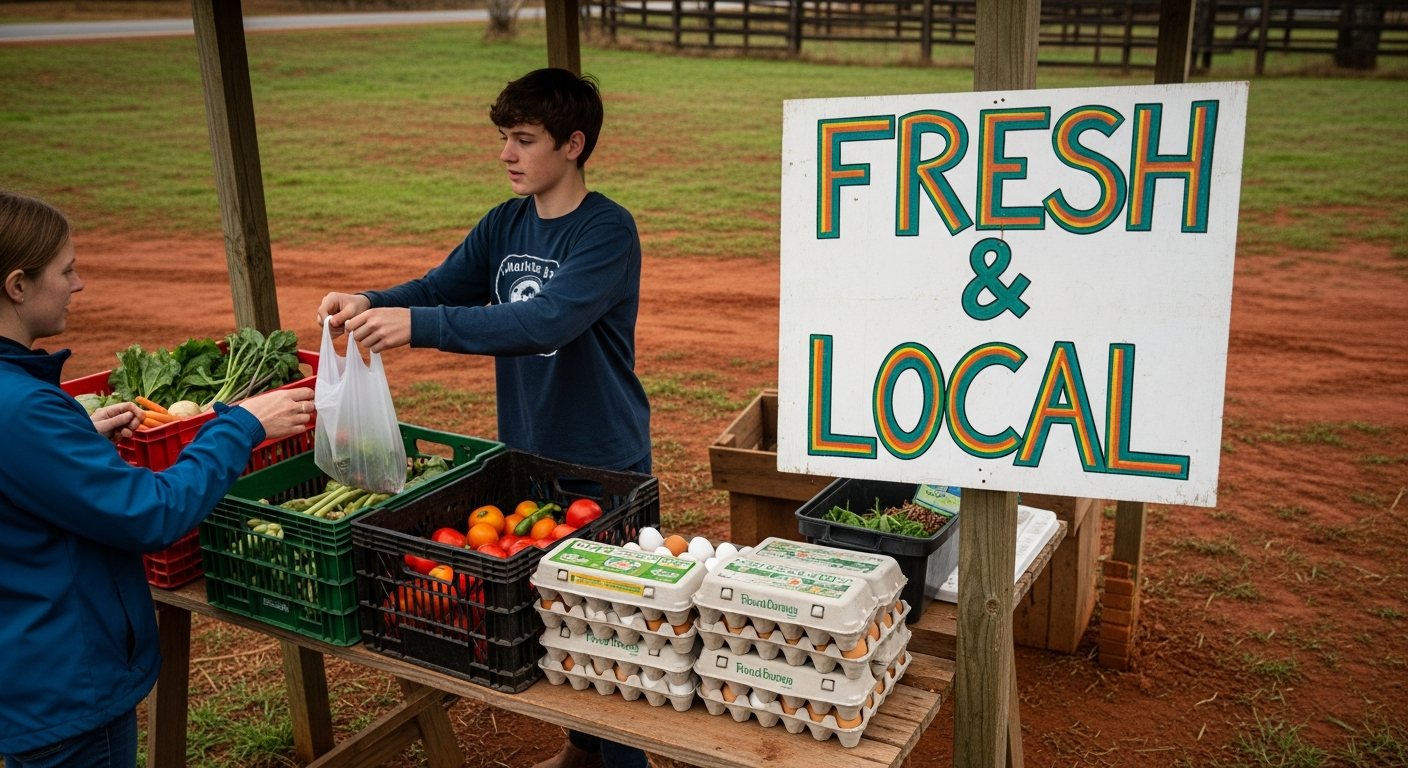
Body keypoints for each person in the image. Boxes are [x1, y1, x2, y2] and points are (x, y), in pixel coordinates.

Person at [317, 68, 651, 768]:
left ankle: (622, 762)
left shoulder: (607, 230)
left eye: (524, 139)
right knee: (549, 616)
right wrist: (371, 299)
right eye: (504, 137)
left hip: (601, 457)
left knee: (609, 628)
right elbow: (443, 284)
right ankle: (583, 752)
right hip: (527, 450)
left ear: (573, 144)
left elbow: (545, 319)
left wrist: (421, 325)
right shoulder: (505, 222)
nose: (506, 153)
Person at [0, 190, 315, 768]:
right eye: (66, 270)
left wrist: (72, 443)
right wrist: (241, 425)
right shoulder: (21, 408)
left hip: (25, 672)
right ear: (17, 285)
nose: (79, 285)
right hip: (66, 685)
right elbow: (151, 513)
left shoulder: (19, 404)